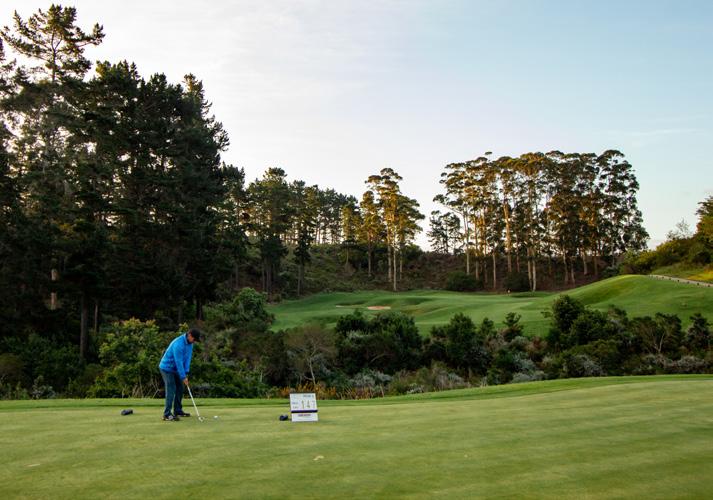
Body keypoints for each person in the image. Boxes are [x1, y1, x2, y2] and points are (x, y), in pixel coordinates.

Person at [159, 328, 201, 421]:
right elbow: (178, 362)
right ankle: (166, 414)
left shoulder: (190, 344)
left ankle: (177, 410)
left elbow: (187, 359)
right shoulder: (178, 344)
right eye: (194, 339)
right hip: (167, 368)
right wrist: (183, 376)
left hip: (176, 369)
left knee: (180, 388)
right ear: (189, 335)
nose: (194, 341)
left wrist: (186, 373)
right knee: (171, 388)